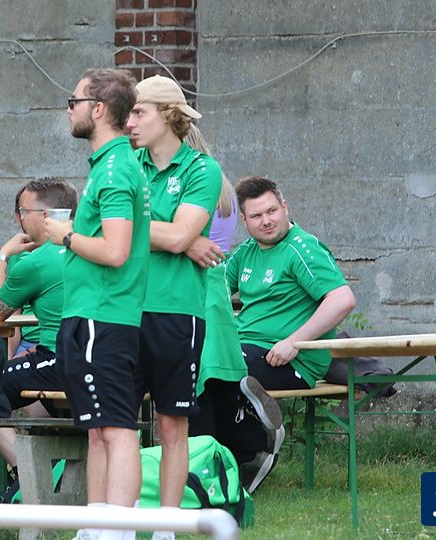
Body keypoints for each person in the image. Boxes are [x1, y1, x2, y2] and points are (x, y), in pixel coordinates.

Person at [44, 68, 150, 540]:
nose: (69, 109)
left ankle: (119, 530)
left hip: (102, 314)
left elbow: (115, 250)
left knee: (117, 427)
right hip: (95, 313)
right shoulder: (111, 164)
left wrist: (65, 236)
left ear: (100, 109)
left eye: (75, 101)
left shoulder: (114, 169)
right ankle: (98, 524)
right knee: (98, 427)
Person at [124, 76, 222, 540]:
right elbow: (101, 225)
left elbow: (180, 234)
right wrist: (179, 238)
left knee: (171, 424)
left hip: (177, 311)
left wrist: (177, 237)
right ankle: (118, 523)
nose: (128, 122)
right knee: (116, 426)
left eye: (137, 112)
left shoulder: (203, 169)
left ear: (167, 114)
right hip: (122, 308)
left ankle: (165, 527)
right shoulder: (125, 163)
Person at [224, 175, 356, 491]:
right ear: (243, 220)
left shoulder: (301, 248)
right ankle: (222, 465)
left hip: (291, 361)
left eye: (272, 211)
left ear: (285, 207)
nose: (266, 221)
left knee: (220, 367)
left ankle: (255, 447)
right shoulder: (244, 253)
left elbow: (342, 299)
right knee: (196, 362)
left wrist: (294, 342)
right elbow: (212, 293)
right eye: (256, 215)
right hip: (246, 351)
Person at [0, 178, 77, 502]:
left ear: (46, 215)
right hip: (97, 358)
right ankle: (3, 475)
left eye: (23, 211)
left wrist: (2, 255)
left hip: (60, 361)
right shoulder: (90, 245)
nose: (18, 218)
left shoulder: (38, 261)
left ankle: (27, 473)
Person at [181, 127, 285, 496]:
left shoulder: (191, 184)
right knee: (213, 390)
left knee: (196, 393)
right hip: (212, 293)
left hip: (192, 291)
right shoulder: (219, 184)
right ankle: (247, 448)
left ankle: (215, 473)